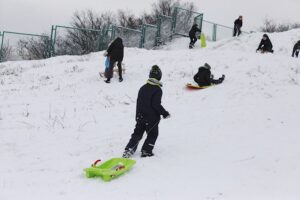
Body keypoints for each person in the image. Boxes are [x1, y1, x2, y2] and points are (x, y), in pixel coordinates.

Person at [122, 65, 170, 158]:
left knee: (137, 133)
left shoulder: (143, 87)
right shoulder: (157, 89)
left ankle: (129, 150)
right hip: (151, 118)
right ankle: (146, 151)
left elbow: (139, 103)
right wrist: (164, 113)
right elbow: (156, 104)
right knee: (153, 134)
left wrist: (138, 116)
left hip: (140, 116)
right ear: (159, 76)